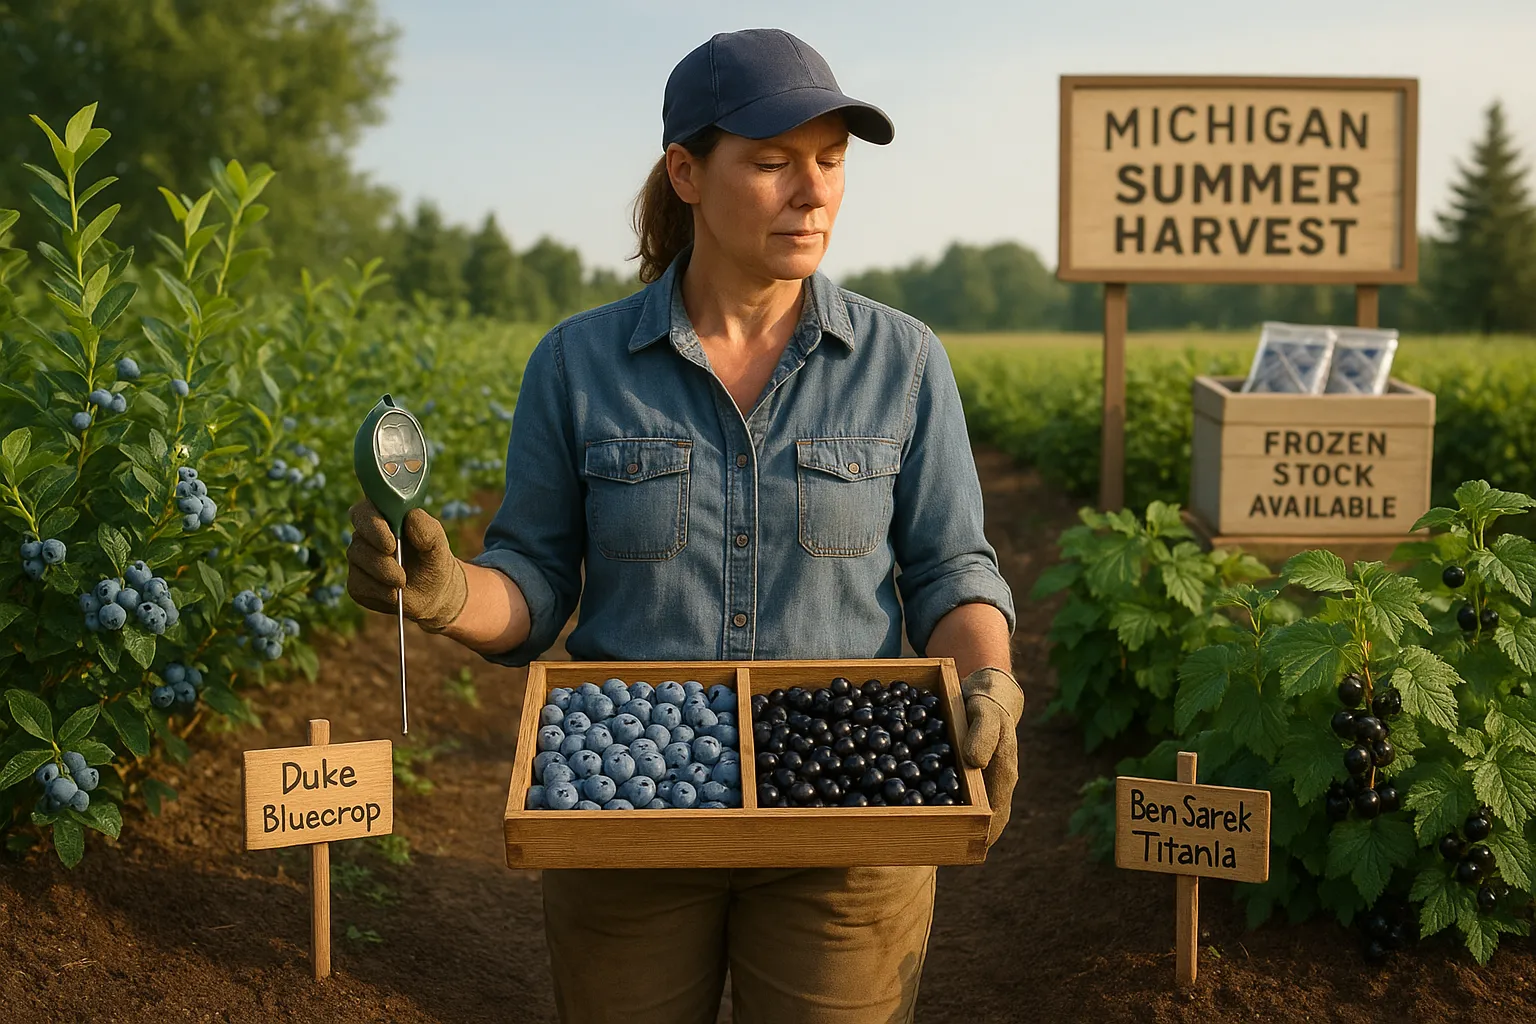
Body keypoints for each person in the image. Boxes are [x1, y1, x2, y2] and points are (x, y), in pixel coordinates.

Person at [346, 27, 1025, 1024]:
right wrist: (446, 593)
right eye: (772, 162)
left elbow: (952, 570)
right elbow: (530, 584)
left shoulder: (905, 363)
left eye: (831, 162)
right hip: (628, 822)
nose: (815, 191)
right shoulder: (579, 366)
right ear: (687, 171)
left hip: (845, 827)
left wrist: (987, 678)